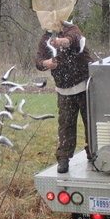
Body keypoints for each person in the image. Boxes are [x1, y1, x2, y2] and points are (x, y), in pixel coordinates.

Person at [35, 21, 91, 174]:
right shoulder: (45, 38)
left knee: (90, 123)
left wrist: (61, 42)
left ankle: (93, 154)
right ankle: (63, 159)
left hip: (84, 85)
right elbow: (38, 62)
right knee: (66, 126)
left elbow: (74, 38)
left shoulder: (71, 28)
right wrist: (46, 63)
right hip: (64, 90)